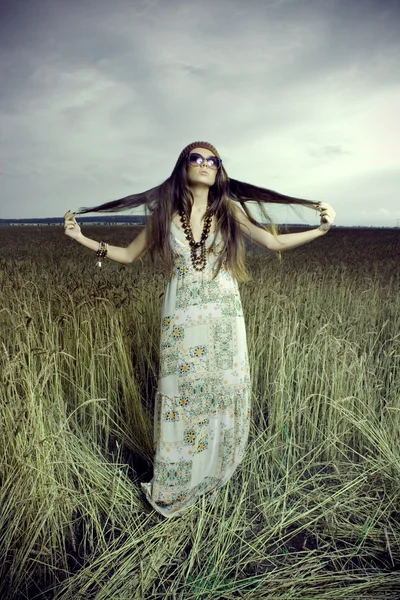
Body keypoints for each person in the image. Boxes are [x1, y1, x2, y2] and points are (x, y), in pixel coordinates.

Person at [64, 141, 336, 518]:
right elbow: (127, 256)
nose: (206, 164)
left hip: (224, 317)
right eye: (198, 158)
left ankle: (213, 473)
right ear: (184, 166)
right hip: (180, 317)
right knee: (181, 392)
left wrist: (320, 231)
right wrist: (81, 239)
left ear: (219, 170)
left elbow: (272, 242)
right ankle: (177, 481)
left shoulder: (228, 210)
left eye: (213, 160)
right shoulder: (165, 214)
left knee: (222, 389)